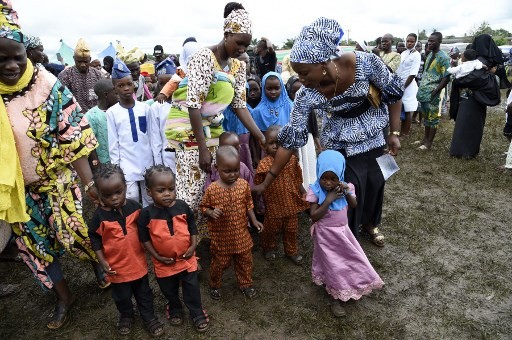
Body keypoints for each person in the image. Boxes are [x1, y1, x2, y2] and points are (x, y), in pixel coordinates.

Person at [0, 2, 107, 329]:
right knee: (37, 248)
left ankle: (98, 267)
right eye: (1, 58)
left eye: (17, 56)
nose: (11, 65)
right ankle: (64, 297)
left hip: (57, 181)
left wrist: (89, 185)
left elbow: (73, 134)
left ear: (27, 53)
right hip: (19, 193)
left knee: (73, 234)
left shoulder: (46, 86)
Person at [252, 17, 403, 246]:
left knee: (375, 181)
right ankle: (347, 237)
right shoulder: (305, 95)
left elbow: (393, 93)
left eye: (304, 73)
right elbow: (292, 139)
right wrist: (268, 180)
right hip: (340, 142)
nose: (301, 80)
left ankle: (370, 224)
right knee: (348, 186)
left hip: (374, 133)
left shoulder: (364, 63)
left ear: (322, 64)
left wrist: (395, 133)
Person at [164, 2, 265, 220]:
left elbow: (239, 105)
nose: (242, 50)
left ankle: (199, 242)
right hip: (190, 131)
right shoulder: (204, 57)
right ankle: (180, 244)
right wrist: (202, 149)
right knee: (190, 192)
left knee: (208, 187)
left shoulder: (238, 66)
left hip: (214, 132)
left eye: (246, 46)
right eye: (239, 43)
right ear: (226, 34)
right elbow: (193, 105)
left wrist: (260, 136)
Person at [88, 164, 164, 337]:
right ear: (99, 195)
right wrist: (102, 261)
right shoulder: (99, 217)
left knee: (144, 294)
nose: (115, 198)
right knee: (122, 297)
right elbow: (94, 238)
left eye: (119, 192)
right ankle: (126, 315)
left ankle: (149, 317)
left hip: (138, 265)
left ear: (125, 187)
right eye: (108, 195)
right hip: (117, 269)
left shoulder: (134, 208)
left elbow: (146, 228)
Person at [306, 150, 384, 317]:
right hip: (325, 236)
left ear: (340, 174)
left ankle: (354, 281)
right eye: (324, 178)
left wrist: (347, 192)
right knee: (333, 264)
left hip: (342, 232)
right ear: (318, 172)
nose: (328, 183)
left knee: (350, 258)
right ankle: (335, 297)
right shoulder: (315, 189)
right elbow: (314, 215)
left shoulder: (346, 187)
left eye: (333, 179)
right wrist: (328, 200)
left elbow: (354, 205)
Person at [137, 165, 209, 333]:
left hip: (186, 259)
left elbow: (192, 227)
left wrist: (193, 246)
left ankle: (196, 311)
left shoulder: (182, 207)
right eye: (161, 190)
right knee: (168, 289)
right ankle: (175, 306)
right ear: (149, 192)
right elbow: (144, 238)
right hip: (164, 263)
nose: (167, 194)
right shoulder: (146, 214)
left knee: (192, 287)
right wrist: (157, 256)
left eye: (171, 189)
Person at [200, 146, 264, 300]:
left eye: (235, 170)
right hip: (221, 236)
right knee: (219, 263)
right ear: (217, 168)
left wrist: (254, 221)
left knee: (245, 260)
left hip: (241, 234)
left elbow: (249, 204)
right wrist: (210, 212)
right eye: (227, 171)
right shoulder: (212, 189)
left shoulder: (243, 185)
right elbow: (203, 207)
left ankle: (246, 284)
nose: (232, 174)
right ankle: (215, 285)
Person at [254, 126, 308, 264]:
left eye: (279, 142)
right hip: (273, 205)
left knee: (291, 229)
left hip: (291, 204)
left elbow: (297, 179)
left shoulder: (291, 159)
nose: (275, 146)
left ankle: (291, 251)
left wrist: (303, 192)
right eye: (271, 143)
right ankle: (268, 248)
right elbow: (259, 185)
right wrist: (257, 202)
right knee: (271, 230)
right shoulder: (264, 164)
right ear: (264, 146)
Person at [107, 59, 154, 206]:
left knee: (150, 198)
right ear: (115, 89)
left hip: (147, 161)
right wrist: (117, 170)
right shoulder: (112, 113)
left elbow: (152, 137)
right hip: (127, 165)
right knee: (130, 198)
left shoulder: (145, 108)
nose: (126, 88)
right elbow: (113, 144)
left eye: (128, 84)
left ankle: (149, 226)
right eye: (121, 86)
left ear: (134, 84)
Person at [448, 49, 500, 159]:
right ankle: (459, 150)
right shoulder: (480, 63)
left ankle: (467, 152)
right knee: (462, 123)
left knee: (472, 125)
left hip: (474, 100)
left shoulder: (481, 64)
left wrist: (457, 81)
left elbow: (472, 79)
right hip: (468, 99)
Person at [415, 32, 450, 150]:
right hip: (424, 92)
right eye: (428, 41)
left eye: (432, 41)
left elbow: (446, 77)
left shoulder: (444, 57)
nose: (429, 43)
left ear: (439, 42)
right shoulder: (429, 55)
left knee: (433, 118)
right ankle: (425, 139)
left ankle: (429, 143)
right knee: (426, 117)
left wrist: (436, 91)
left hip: (433, 93)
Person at [286, 75, 321, 187]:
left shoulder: (308, 106)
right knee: (299, 166)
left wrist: (318, 146)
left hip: (307, 141)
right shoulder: (287, 107)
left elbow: (314, 127)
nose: (297, 95)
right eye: (293, 92)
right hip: (294, 142)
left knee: (309, 165)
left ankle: (310, 189)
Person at [250, 72, 292, 165]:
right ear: (263, 88)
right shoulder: (258, 111)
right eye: (269, 89)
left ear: (282, 87)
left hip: (287, 151)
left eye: (277, 88)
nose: (273, 92)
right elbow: (254, 137)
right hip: (267, 152)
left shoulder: (290, 107)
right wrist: (256, 156)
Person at [58, 38, 103, 112]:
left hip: (95, 117)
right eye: (79, 61)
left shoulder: (98, 75)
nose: (82, 65)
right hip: (74, 118)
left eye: (85, 61)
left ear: (90, 59)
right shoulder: (65, 76)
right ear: (74, 58)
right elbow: (61, 100)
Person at [85, 79, 119, 167]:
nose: (119, 96)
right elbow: (90, 141)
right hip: (104, 163)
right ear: (106, 94)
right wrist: (95, 161)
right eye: (116, 93)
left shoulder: (118, 110)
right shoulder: (91, 116)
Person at [396, 33, 421, 138]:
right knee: (399, 108)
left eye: (412, 41)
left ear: (415, 42)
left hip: (409, 85)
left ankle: (405, 133)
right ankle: (399, 131)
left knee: (407, 109)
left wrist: (404, 86)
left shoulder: (416, 55)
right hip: (400, 83)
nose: (409, 43)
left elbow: (413, 73)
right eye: (408, 41)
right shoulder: (404, 53)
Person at [150, 74, 176, 172]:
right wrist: (158, 164)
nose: (166, 87)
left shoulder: (185, 103)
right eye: (162, 84)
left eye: (169, 83)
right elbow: (155, 138)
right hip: (167, 158)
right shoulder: (156, 107)